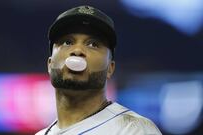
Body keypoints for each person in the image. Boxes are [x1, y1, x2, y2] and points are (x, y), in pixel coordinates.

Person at [36, 5, 162, 135]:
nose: (77, 51)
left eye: (93, 44)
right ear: (50, 64)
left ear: (110, 68)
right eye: (67, 42)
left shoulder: (133, 129)